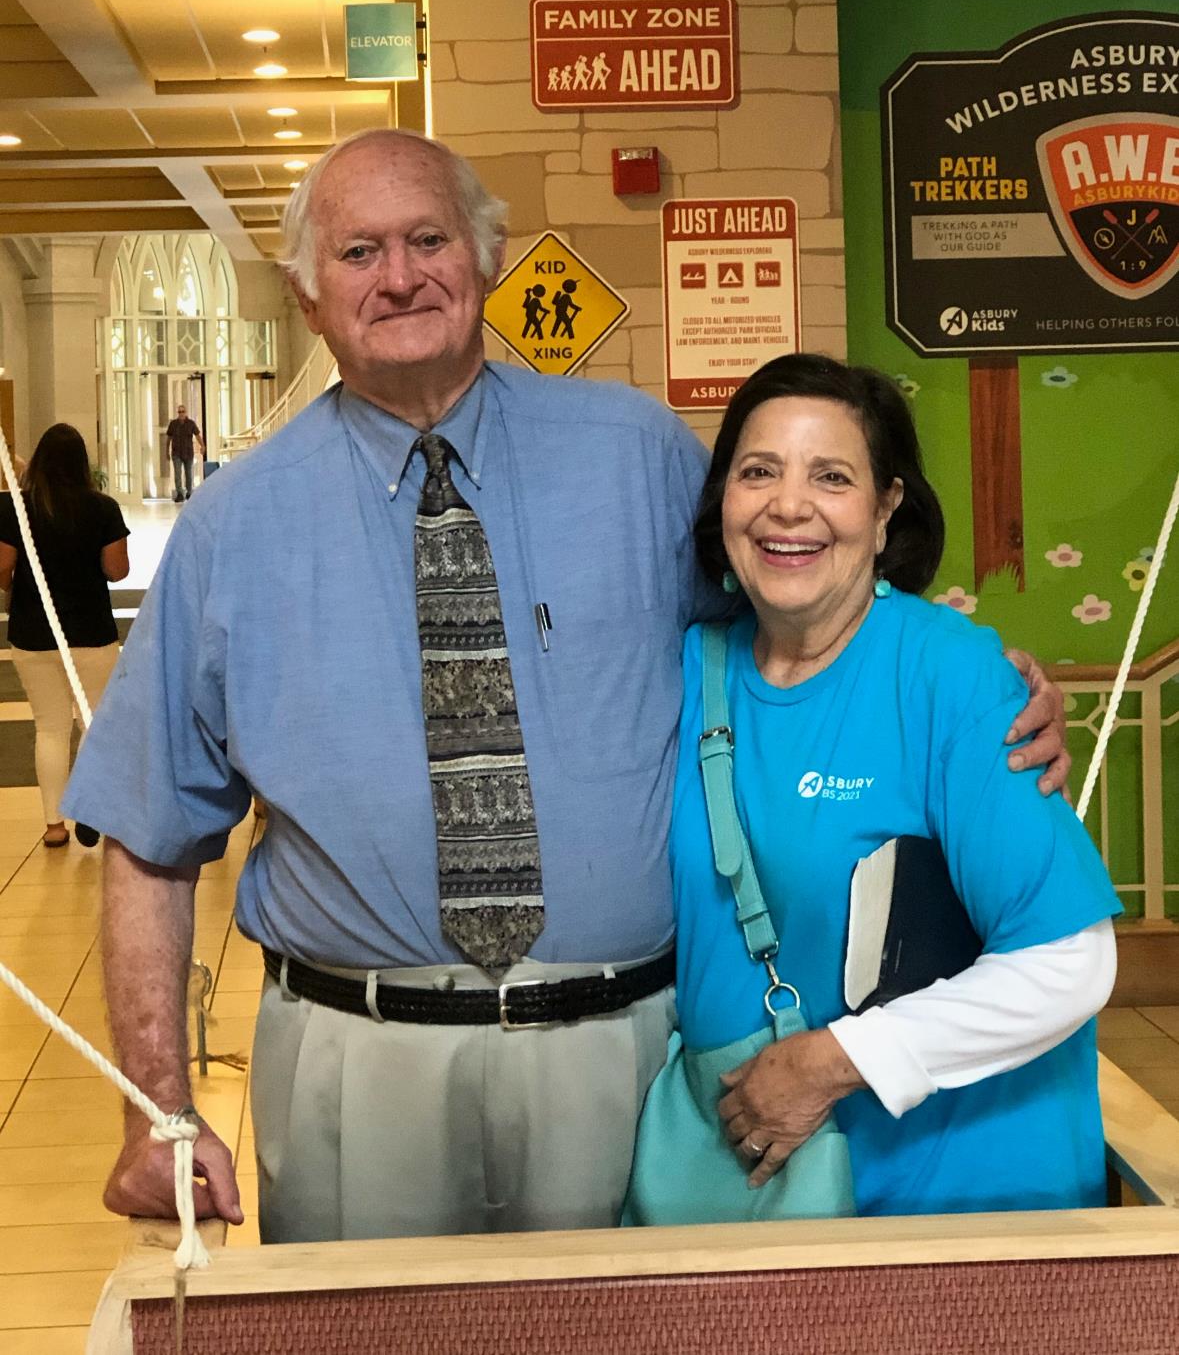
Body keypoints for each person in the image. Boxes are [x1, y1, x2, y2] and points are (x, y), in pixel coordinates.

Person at [62, 129, 1070, 1243]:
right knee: (373, 1329)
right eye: (357, 252)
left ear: (487, 257)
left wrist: (972, 685)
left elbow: (801, 620)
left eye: (428, 239)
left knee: (624, 1321)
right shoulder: (231, 528)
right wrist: (156, 1111)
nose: (399, 277)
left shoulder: (638, 455)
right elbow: (148, 837)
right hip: (356, 1060)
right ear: (306, 293)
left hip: (618, 1053)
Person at [662, 355, 1119, 1218]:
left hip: (955, 1190)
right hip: (755, 1187)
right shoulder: (687, 669)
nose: (787, 505)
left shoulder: (951, 675)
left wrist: (829, 1063)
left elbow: (1068, 962)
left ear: (884, 510)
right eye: (757, 472)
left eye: (830, 477)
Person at [0, 424, 129, 847]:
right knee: (92, 722)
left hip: (33, 632)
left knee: (50, 728)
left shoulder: (17, 509)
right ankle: (90, 810)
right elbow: (117, 570)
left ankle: (54, 825)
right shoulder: (103, 508)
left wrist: (15, 587)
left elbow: (2, 567)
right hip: (92, 632)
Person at [165, 403, 203, 501]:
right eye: (179, 412)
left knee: (188, 473)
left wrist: (202, 446)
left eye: (183, 411)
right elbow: (169, 438)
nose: (181, 413)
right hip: (176, 453)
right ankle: (179, 494)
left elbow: (197, 435)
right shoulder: (173, 424)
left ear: (186, 412)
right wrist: (166, 451)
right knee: (177, 474)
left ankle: (189, 492)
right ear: (178, 413)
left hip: (188, 453)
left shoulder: (191, 423)